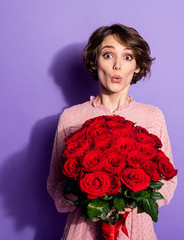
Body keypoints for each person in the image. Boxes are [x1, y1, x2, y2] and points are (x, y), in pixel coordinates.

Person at [47, 24, 177, 240]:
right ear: (95, 61)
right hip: (84, 232)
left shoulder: (152, 116)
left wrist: (135, 199)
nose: (117, 65)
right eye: (108, 55)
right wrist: (87, 192)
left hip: (136, 231)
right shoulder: (71, 118)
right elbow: (56, 186)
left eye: (127, 57)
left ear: (136, 66)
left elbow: (168, 182)